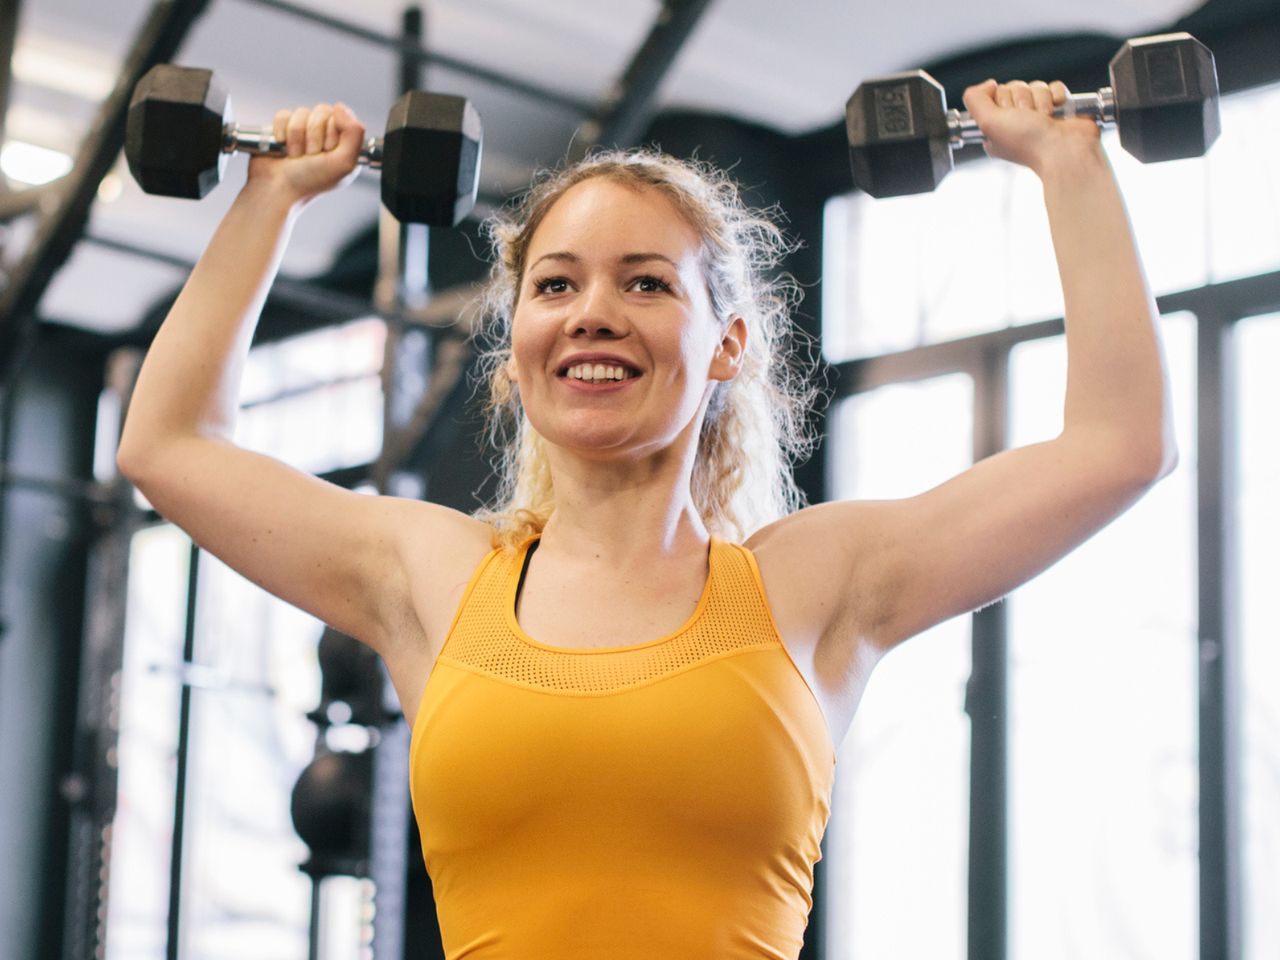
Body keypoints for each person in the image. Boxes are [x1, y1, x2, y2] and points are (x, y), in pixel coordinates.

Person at [117, 77, 1177, 959]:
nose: (591, 312)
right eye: (555, 283)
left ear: (725, 342)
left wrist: (1068, 167)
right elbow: (167, 449)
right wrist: (270, 199)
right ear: (519, 332)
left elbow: (1115, 445)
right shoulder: (430, 577)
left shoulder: (812, 587)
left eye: (644, 284)